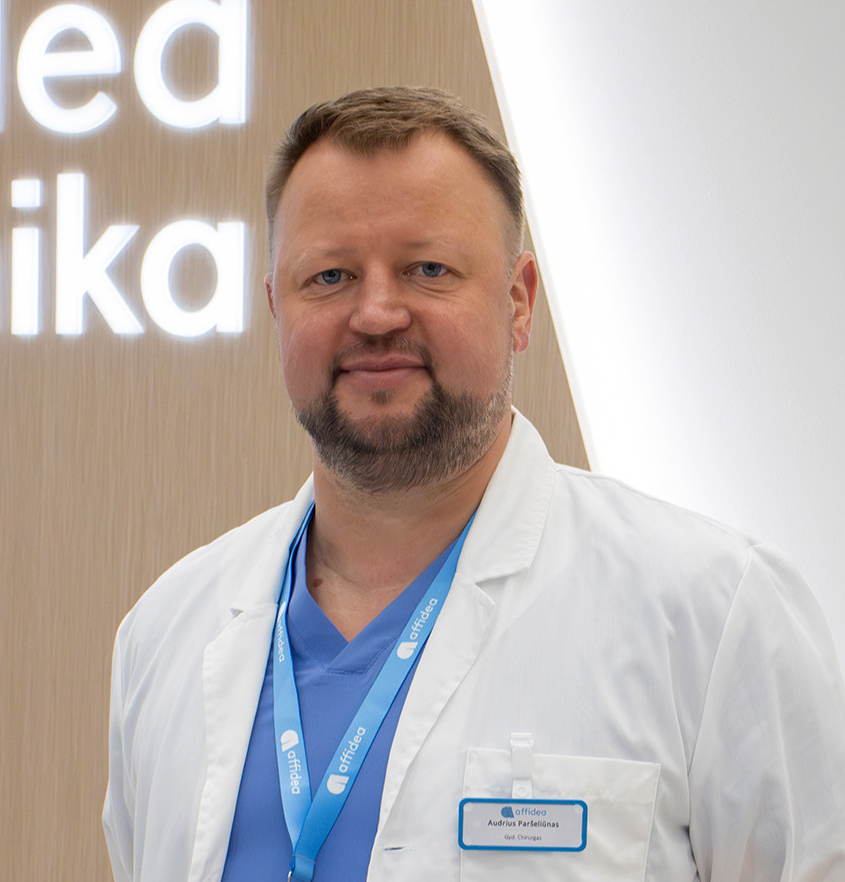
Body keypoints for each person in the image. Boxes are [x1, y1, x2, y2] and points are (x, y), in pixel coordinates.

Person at [102, 87, 845, 882]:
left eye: (429, 269)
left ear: (519, 303)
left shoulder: (711, 614)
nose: (376, 313)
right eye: (330, 276)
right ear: (277, 307)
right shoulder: (167, 633)